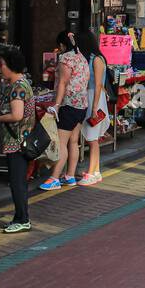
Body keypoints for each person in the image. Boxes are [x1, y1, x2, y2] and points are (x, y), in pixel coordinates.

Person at [0, 46, 35, 233]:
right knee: (17, 181)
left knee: (17, 181)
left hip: (18, 143)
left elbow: (16, 115)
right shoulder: (17, 85)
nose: (0, 69)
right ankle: (20, 217)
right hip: (17, 141)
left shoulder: (17, 88)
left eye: (2, 65)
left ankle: (23, 218)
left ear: (11, 66)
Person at [40, 32, 89, 191]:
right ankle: (70, 175)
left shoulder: (65, 59)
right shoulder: (81, 57)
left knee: (61, 142)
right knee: (74, 141)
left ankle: (54, 178)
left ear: (62, 45)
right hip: (82, 104)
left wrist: (56, 105)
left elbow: (62, 83)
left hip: (69, 104)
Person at [77, 30, 112, 184]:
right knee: (93, 138)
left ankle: (92, 173)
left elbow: (98, 85)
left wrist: (93, 109)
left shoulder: (96, 59)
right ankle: (95, 171)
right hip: (92, 98)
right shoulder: (93, 58)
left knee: (92, 138)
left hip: (94, 99)